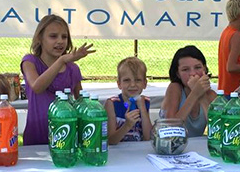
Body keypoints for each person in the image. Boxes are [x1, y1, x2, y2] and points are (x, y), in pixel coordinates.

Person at [21, 14, 94, 145]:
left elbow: (82, 103)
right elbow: (37, 87)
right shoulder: (30, 61)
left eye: (64, 37)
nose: (60, 41)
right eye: (53, 36)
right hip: (37, 136)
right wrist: (61, 60)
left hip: (65, 137)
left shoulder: (72, 69)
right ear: (40, 39)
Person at [160, 45, 216, 137]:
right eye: (185, 69)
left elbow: (218, 129)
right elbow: (171, 127)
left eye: (198, 67)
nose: (193, 73)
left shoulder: (211, 95)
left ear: (205, 69)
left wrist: (201, 96)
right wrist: (195, 94)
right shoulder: (174, 88)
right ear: (178, 74)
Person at [105, 57, 153, 144]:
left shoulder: (145, 102)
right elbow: (110, 141)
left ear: (145, 84)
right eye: (127, 80)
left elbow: (148, 137)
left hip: (138, 151)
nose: (133, 85)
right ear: (119, 84)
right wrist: (127, 125)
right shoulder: (112, 103)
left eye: (138, 80)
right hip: (118, 152)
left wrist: (142, 109)